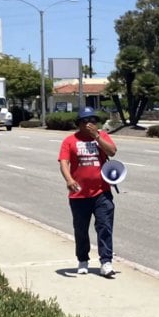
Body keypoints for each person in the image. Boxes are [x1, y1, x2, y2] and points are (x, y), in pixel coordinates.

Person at [58, 107, 118, 277]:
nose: (90, 124)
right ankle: (83, 259)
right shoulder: (70, 141)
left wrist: (97, 137)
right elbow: (64, 163)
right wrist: (69, 180)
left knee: (105, 226)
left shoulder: (102, 136)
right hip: (79, 194)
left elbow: (112, 151)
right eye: (85, 121)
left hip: (102, 192)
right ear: (79, 124)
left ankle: (106, 261)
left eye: (93, 120)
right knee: (81, 229)